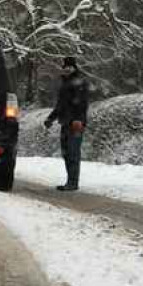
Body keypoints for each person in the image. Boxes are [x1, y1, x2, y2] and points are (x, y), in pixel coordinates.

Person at [43, 56, 89, 191]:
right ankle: (70, 181)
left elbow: (82, 103)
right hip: (65, 122)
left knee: (73, 152)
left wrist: (78, 120)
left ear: (74, 68)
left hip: (75, 124)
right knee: (67, 153)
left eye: (69, 67)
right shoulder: (65, 84)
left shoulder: (79, 82)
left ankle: (73, 182)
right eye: (65, 67)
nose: (67, 69)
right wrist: (50, 118)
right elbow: (60, 106)